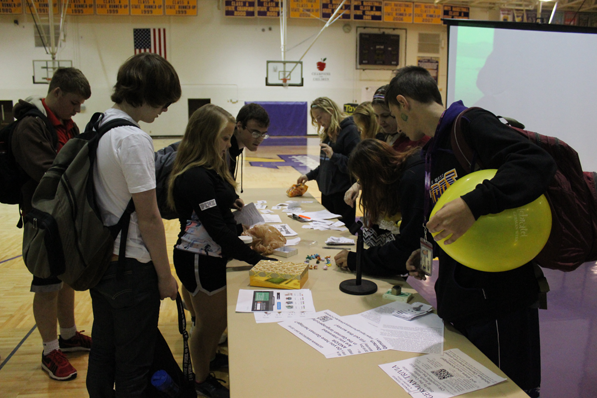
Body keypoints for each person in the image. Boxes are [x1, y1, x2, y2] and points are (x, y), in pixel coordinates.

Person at [386, 65, 556, 398]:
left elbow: (536, 163)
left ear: (404, 103)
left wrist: (474, 203)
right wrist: (424, 254)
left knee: (508, 389)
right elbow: (444, 211)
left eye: (395, 116)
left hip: (498, 298)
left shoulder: (471, 124)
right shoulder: (435, 148)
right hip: (465, 297)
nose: (399, 128)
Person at [87, 53, 180, 397]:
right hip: (132, 270)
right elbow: (150, 218)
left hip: (101, 262)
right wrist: (165, 276)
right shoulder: (132, 138)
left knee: (102, 353)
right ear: (147, 92)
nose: (165, 110)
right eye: (164, 100)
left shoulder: (99, 124)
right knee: (134, 367)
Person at [168, 104, 276, 398]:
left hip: (209, 255)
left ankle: (208, 359)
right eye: (224, 138)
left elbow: (218, 215)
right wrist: (257, 261)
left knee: (215, 322)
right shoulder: (194, 175)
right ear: (205, 136)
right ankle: (201, 380)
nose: (229, 145)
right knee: (208, 324)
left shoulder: (210, 169)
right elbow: (215, 229)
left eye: (230, 138)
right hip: (198, 259)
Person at [12, 67, 92, 381]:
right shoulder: (30, 127)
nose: (76, 110)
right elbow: (48, 173)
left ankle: (69, 335)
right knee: (46, 285)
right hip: (43, 219)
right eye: (73, 103)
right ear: (56, 92)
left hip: (66, 215)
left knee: (67, 278)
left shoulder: (66, 124)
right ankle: (49, 350)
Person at [333, 139, 424, 276]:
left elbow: (405, 249)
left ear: (377, 177)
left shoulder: (411, 183)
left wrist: (357, 260)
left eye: (365, 183)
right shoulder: (404, 172)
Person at [297, 97, 360, 229]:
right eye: (315, 119)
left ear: (330, 111)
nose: (318, 122)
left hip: (343, 195)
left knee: (343, 235)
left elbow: (354, 167)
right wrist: (309, 176)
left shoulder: (350, 131)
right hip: (327, 193)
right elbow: (326, 165)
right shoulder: (328, 132)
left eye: (319, 117)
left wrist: (334, 155)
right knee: (327, 232)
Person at [227, 103, 270, 187]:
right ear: (239, 126)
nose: (259, 139)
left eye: (263, 134)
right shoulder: (224, 150)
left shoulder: (236, 148)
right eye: (255, 133)